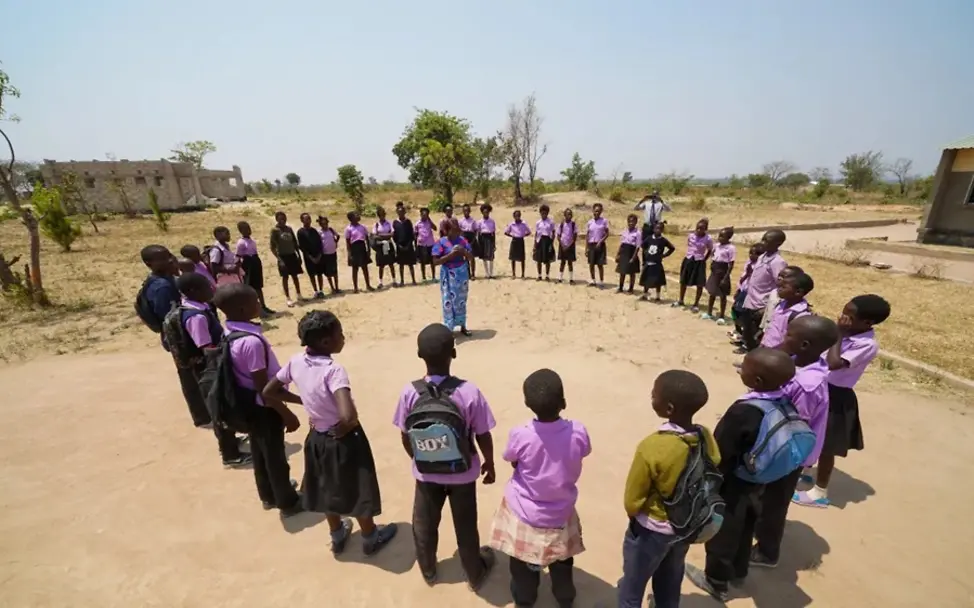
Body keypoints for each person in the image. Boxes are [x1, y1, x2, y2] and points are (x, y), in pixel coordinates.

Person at [264, 310, 399, 553]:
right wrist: (345, 426)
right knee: (357, 487)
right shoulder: (333, 370)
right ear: (326, 341)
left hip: (316, 437)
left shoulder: (295, 361)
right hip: (343, 438)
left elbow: (270, 391)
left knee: (325, 485)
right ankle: (370, 537)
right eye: (340, 334)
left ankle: (337, 535)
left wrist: (303, 402)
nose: (343, 337)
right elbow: (348, 415)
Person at [684, 348, 796, 601]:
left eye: (744, 367)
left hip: (734, 482)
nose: (740, 369)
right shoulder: (784, 401)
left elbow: (722, 451)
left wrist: (709, 481)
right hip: (761, 479)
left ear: (756, 381)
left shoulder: (745, 411)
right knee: (747, 526)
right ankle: (739, 570)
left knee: (724, 530)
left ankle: (716, 581)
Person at [392, 324, 497, 589]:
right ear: (454, 353)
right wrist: (489, 463)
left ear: (419, 355)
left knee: (424, 523)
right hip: (462, 472)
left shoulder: (409, 392)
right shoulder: (469, 391)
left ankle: (428, 570)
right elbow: (483, 434)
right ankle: (475, 573)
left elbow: (406, 435)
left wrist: (419, 458)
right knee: (465, 526)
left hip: (426, 473)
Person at [489, 369, 590, 608]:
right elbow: (583, 450)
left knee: (522, 564)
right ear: (563, 402)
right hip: (561, 513)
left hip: (524, 513)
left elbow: (510, 457)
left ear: (527, 403)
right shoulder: (578, 431)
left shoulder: (521, 434)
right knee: (562, 561)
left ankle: (525, 600)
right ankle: (565, 599)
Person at [619, 369, 719, 608]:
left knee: (632, 584)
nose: (652, 397)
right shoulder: (704, 435)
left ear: (669, 408)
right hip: (685, 524)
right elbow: (714, 462)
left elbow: (633, 499)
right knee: (671, 578)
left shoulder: (653, 446)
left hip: (652, 529)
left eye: (655, 395)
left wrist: (635, 516)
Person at [750, 315, 838, 568]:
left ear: (805, 345)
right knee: (765, 496)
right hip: (782, 448)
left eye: (789, 335)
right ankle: (759, 531)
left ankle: (767, 552)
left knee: (774, 502)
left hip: (787, 452)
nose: (783, 337)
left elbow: (792, 424)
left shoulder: (807, 384)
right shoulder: (801, 364)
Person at [793, 294, 891, 509]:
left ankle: (819, 492)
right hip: (820, 388)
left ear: (867, 323)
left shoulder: (866, 344)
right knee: (809, 431)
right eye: (843, 312)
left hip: (837, 396)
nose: (842, 318)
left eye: (849, 316)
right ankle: (808, 471)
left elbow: (834, 363)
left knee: (827, 444)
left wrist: (839, 334)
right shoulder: (847, 334)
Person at [213, 283, 300, 513]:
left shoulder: (230, 331)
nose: (259, 304)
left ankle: (268, 494)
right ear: (243, 309)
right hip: (264, 408)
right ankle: (287, 501)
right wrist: (288, 412)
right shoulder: (251, 342)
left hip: (248, 405)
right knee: (275, 456)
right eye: (255, 302)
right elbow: (265, 389)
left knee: (260, 452)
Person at [172, 273, 251, 468]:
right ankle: (230, 454)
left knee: (222, 407)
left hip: (210, 368)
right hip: (210, 369)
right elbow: (206, 348)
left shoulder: (197, 308)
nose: (212, 288)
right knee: (220, 408)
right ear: (193, 292)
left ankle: (231, 440)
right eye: (207, 286)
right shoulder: (196, 317)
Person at [140, 245, 212, 429]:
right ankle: (204, 416)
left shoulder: (165, 279)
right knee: (193, 377)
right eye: (163, 258)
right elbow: (171, 319)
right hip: (182, 340)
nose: (171, 260)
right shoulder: (161, 287)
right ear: (149, 264)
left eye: (169, 256)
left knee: (193, 376)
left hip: (185, 336)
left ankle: (204, 414)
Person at [738, 229, 788, 351]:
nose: (763, 242)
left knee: (758, 335)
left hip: (762, 304)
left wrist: (768, 307)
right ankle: (748, 353)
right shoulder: (762, 257)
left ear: (778, 243)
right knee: (748, 330)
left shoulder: (778, 262)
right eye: (763, 239)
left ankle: (754, 360)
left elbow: (780, 285)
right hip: (751, 300)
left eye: (767, 240)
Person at [432, 218, 474, 336]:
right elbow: (435, 261)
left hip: (461, 275)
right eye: (454, 230)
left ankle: (463, 326)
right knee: (448, 301)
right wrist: (451, 255)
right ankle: (449, 328)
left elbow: (471, 257)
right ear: (447, 230)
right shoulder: (441, 242)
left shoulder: (463, 241)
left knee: (461, 301)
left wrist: (463, 252)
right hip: (448, 276)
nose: (456, 233)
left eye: (457, 230)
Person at [759, 272, 814, 349]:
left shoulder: (800, 315)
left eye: (783, 287)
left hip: (778, 355)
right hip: (766, 347)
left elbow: (794, 342)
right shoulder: (781, 304)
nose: (779, 289)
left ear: (798, 292)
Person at [674, 219, 713, 312]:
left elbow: (710, 249)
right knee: (683, 281)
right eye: (697, 228)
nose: (699, 230)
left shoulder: (708, 238)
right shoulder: (691, 236)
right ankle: (681, 300)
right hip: (689, 259)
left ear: (705, 229)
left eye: (701, 229)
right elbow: (689, 245)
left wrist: (704, 259)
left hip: (699, 261)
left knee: (699, 283)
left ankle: (696, 304)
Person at [236, 221, 274, 315]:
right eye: (245, 229)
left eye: (249, 228)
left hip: (255, 262)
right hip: (248, 265)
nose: (248, 230)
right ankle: (256, 310)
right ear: (241, 231)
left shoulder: (252, 240)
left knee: (259, 286)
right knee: (251, 288)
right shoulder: (241, 243)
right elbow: (238, 257)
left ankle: (263, 306)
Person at [730, 244, 764, 344]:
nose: (752, 255)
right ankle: (739, 331)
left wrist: (750, 273)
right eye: (751, 252)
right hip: (743, 290)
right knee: (734, 310)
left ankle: (746, 337)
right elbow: (743, 278)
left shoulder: (760, 267)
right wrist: (738, 290)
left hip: (751, 294)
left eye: (757, 254)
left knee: (746, 316)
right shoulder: (748, 263)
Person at [758, 265, 804, 339]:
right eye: (779, 275)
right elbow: (768, 312)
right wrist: (762, 327)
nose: (779, 278)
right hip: (767, 331)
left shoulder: (790, 299)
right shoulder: (774, 292)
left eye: (784, 277)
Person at [702, 227, 737, 324]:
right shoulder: (716, 245)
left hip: (723, 271)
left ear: (728, 238)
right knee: (712, 292)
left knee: (722, 295)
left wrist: (726, 277)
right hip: (715, 270)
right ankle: (709, 313)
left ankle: (721, 316)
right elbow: (713, 255)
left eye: (722, 236)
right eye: (719, 235)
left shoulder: (731, 248)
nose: (720, 238)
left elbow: (731, 264)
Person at [269, 211, 304, 308]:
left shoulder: (289, 229)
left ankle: (299, 294)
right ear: (277, 219)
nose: (282, 220)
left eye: (284, 218)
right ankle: (288, 298)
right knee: (285, 277)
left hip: (292, 255)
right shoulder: (275, 230)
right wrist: (279, 259)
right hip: (282, 256)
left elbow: (295, 243)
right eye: (280, 218)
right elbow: (272, 247)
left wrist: (299, 256)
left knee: (295, 276)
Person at [639, 221, 675, 302]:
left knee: (657, 280)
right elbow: (643, 246)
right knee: (646, 279)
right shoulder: (649, 238)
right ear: (653, 229)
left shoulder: (663, 240)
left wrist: (664, 255)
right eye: (656, 228)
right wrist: (646, 252)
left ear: (662, 230)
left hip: (657, 263)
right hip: (648, 262)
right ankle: (645, 294)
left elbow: (672, 248)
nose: (658, 230)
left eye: (660, 229)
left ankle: (658, 296)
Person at [297, 212, 326, 298]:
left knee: (320, 274)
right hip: (309, 257)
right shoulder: (300, 232)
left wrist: (319, 255)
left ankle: (321, 290)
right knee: (312, 275)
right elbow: (302, 247)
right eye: (306, 219)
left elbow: (320, 244)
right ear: (302, 220)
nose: (308, 220)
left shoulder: (314, 231)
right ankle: (315, 291)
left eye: (309, 218)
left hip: (318, 256)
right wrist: (310, 257)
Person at [344, 211, 374, 293]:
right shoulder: (348, 229)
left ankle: (368, 285)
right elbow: (348, 242)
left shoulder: (362, 227)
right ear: (351, 219)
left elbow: (367, 239)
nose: (358, 216)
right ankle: (355, 287)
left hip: (362, 247)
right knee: (355, 268)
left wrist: (368, 249)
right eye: (356, 215)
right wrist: (349, 253)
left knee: (365, 267)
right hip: (354, 248)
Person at [372, 206, 398, 289]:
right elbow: (374, 236)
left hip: (389, 245)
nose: (382, 216)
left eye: (383, 214)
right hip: (380, 246)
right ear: (378, 216)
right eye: (380, 215)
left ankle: (394, 281)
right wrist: (386, 236)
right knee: (381, 265)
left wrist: (380, 235)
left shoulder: (389, 223)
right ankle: (380, 282)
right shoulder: (376, 225)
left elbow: (392, 234)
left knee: (391, 264)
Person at [393, 204, 418, 286]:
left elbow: (412, 234)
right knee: (401, 264)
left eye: (402, 212)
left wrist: (410, 244)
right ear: (397, 212)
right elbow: (394, 236)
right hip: (399, 245)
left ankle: (413, 280)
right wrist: (398, 244)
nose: (401, 213)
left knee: (410, 264)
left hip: (409, 244)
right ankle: (402, 281)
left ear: (404, 212)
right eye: (399, 212)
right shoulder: (395, 223)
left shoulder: (408, 222)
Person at [585, 203, 610, 287]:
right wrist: (586, 248)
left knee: (600, 264)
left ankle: (601, 281)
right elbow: (587, 236)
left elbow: (607, 234)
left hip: (600, 245)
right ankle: (593, 280)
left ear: (601, 211)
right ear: (593, 211)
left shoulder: (604, 221)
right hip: (591, 245)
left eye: (599, 211)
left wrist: (600, 241)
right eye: (595, 211)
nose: (597, 213)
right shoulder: (590, 222)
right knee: (591, 264)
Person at [616, 214, 642, 294]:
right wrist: (618, 254)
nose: (631, 223)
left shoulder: (637, 233)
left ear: (636, 222)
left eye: (633, 221)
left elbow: (638, 246)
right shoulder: (625, 231)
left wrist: (633, 257)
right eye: (629, 221)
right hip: (624, 251)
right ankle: (620, 287)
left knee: (631, 272)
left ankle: (631, 289)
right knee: (622, 271)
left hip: (632, 252)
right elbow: (622, 244)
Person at [316, 216, 341, 294]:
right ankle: (332, 288)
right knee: (328, 272)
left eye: (326, 223)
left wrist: (335, 242)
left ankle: (337, 287)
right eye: (323, 224)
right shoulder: (319, 232)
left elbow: (338, 236)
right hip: (325, 254)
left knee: (335, 271)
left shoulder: (331, 230)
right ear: (320, 224)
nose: (325, 225)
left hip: (333, 253)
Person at [533, 204, 557, 281]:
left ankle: (547, 276)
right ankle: (539, 275)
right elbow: (536, 233)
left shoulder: (551, 222)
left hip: (547, 241)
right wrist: (535, 243)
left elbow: (553, 233)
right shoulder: (538, 222)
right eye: (542, 213)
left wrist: (551, 243)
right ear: (540, 213)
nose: (543, 214)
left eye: (545, 213)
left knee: (547, 260)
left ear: (547, 213)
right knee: (538, 259)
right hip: (540, 241)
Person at [505, 210, 531, 279]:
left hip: (521, 240)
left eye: (518, 216)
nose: (517, 217)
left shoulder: (524, 223)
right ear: (514, 216)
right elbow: (506, 232)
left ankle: (523, 274)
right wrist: (512, 235)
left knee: (522, 258)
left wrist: (523, 235)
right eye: (516, 216)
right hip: (514, 240)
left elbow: (529, 232)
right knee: (513, 258)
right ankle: (513, 274)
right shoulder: (511, 224)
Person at [415, 207, 437, 282]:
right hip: (422, 245)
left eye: (426, 214)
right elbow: (415, 234)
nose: (424, 216)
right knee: (422, 262)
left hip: (430, 244)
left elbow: (435, 228)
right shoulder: (418, 223)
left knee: (432, 261)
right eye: (423, 214)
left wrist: (430, 220)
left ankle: (433, 277)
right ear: (420, 215)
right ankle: (424, 278)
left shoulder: (429, 222)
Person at [556, 208, 577, 284]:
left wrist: (569, 246)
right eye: (568, 214)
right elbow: (558, 236)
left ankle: (571, 279)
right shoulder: (561, 224)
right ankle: (560, 278)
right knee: (562, 262)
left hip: (570, 246)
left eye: (570, 214)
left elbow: (575, 237)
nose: (569, 215)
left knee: (570, 262)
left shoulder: (573, 224)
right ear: (564, 215)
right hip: (562, 245)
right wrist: (562, 245)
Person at [459, 204, 480, 280]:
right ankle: (467, 274)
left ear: (470, 211)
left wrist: (473, 241)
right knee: (465, 258)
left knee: (472, 257)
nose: (466, 212)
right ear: (463, 211)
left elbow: (476, 231)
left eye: (468, 210)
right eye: (465, 211)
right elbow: (460, 231)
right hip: (464, 238)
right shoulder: (461, 221)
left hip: (472, 238)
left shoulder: (473, 221)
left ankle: (473, 274)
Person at [477, 204, 497, 279]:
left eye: (487, 212)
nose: (486, 213)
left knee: (491, 256)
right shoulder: (479, 222)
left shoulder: (492, 221)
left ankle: (491, 273)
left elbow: (493, 233)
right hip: (482, 238)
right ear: (482, 213)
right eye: (484, 212)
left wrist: (494, 243)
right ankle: (487, 273)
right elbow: (478, 233)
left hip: (490, 238)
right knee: (484, 256)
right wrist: (479, 243)